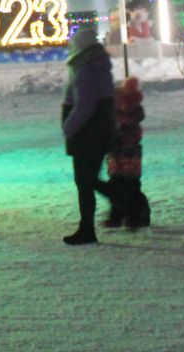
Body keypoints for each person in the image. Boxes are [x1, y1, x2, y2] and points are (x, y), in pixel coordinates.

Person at [60, 20, 116, 244]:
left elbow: (85, 105)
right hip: (97, 131)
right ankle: (116, 201)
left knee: (84, 181)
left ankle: (88, 228)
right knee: (88, 179)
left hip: (87, 133)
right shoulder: (96, 66)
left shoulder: (86, 70)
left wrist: (69, 127)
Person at [103, 71, 150, 230]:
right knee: (117, 183)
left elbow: (132, 124)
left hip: (128, 151)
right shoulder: (116, 109)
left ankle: (134, 215)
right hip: (118, 151)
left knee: (129, 185)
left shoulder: (134, 111)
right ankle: (119, 215)